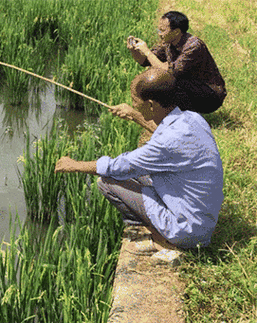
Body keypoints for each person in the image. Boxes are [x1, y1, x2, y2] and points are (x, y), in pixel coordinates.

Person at [54, 68, 224, 250]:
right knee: (135, 175)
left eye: (135, 101)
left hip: (188, 231)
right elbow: (166, 137)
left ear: (151, 105)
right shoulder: (192, 119)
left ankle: (160, 238)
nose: (133, 105)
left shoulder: (167, 144)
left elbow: (120, 166)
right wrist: (136, 116)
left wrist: (74, 165)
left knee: (107, 182)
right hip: (202, 218)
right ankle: (160, 228)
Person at [127, 11, 226, 114]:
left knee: (168, 81)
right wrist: (134, 50)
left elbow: (170, 73)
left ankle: (185, 118)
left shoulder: (193, 46)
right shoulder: (168, 43)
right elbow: (146, 61)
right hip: (192, 87)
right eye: (158, 30)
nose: (159, 34)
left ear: (176, 32)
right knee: (155, 74)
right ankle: (171, 115)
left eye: (162, 30)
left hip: (210, 96)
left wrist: (147, 52)